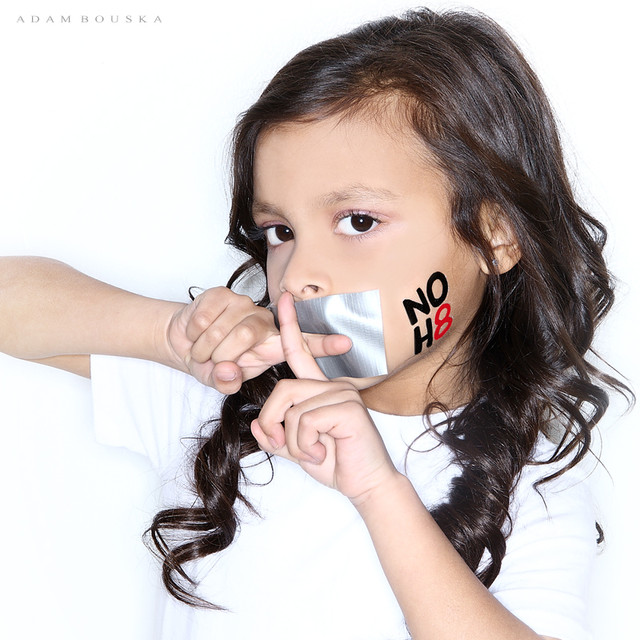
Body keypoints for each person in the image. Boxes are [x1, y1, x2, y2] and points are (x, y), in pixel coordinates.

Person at [0, 7, 630, 640]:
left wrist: (379, 492)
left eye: (358, 222)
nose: (299, 274)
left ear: (496, 237)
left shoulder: (536, 482)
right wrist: (171, 338)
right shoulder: (225, 396)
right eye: (280, 231)